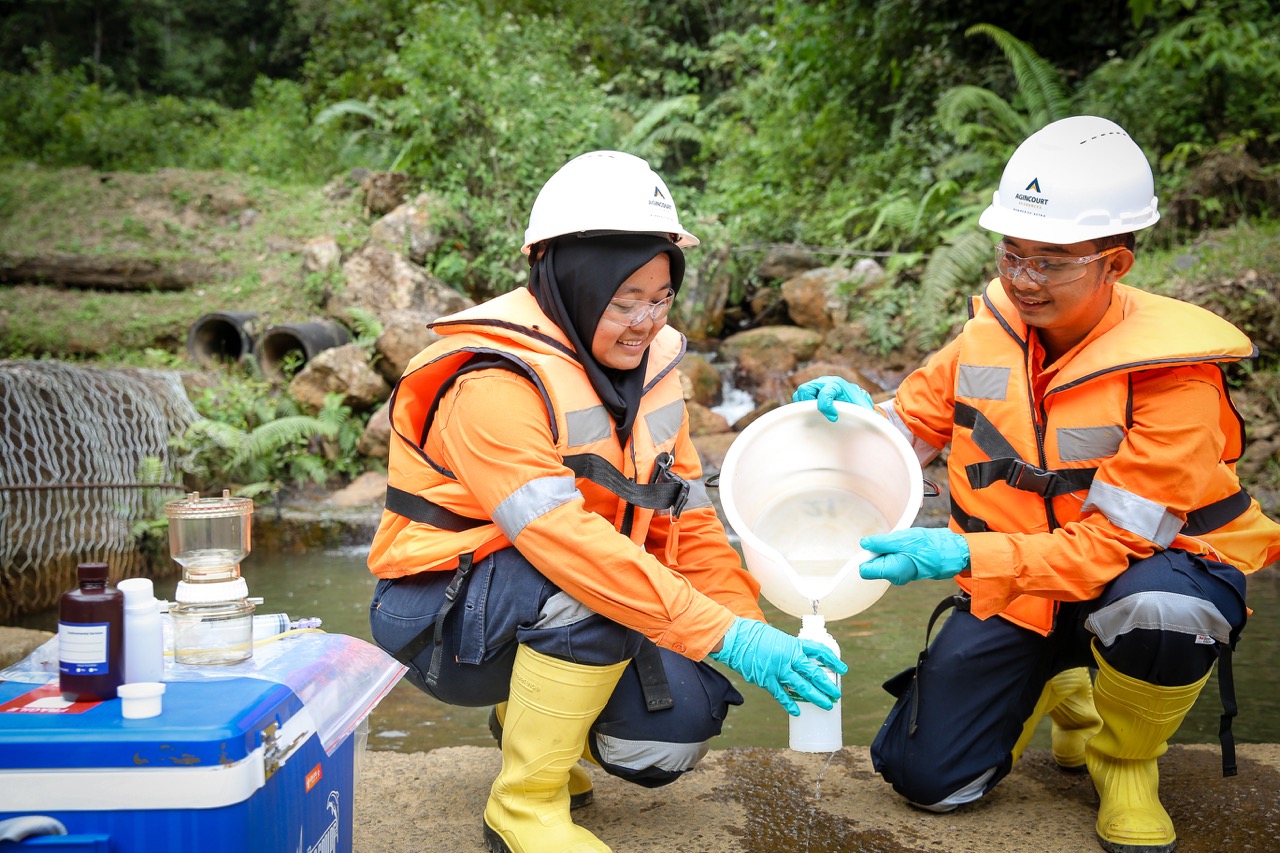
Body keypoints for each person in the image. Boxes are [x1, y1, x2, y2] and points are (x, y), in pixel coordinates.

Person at [794, 115, 1280, 853]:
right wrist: (858, 415)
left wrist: (961, 558)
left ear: (1114, 263)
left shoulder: (1175, 376)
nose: (1023, 280)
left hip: (1147, 570)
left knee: (1159, 612)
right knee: (926, 778)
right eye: (1012, 254)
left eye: (1051, 261)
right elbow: (911, 426)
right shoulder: (988, 332)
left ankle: (1125, 762)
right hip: (1023, 591)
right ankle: (1063, 683)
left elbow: (1112, 545)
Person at [367, 150, 845, 853]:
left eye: (660, 299)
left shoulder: (656, 371)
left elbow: (689, 521)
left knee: (670, 736)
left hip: (553, 593)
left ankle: (526, 723)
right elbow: (568, 543)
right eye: (624, 302)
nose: (645, 322)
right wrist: (727, 636)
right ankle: (524, 804)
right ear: (571, 280)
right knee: (589, 586)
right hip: (435, 615)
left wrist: (751, 631)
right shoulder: (494, 380)